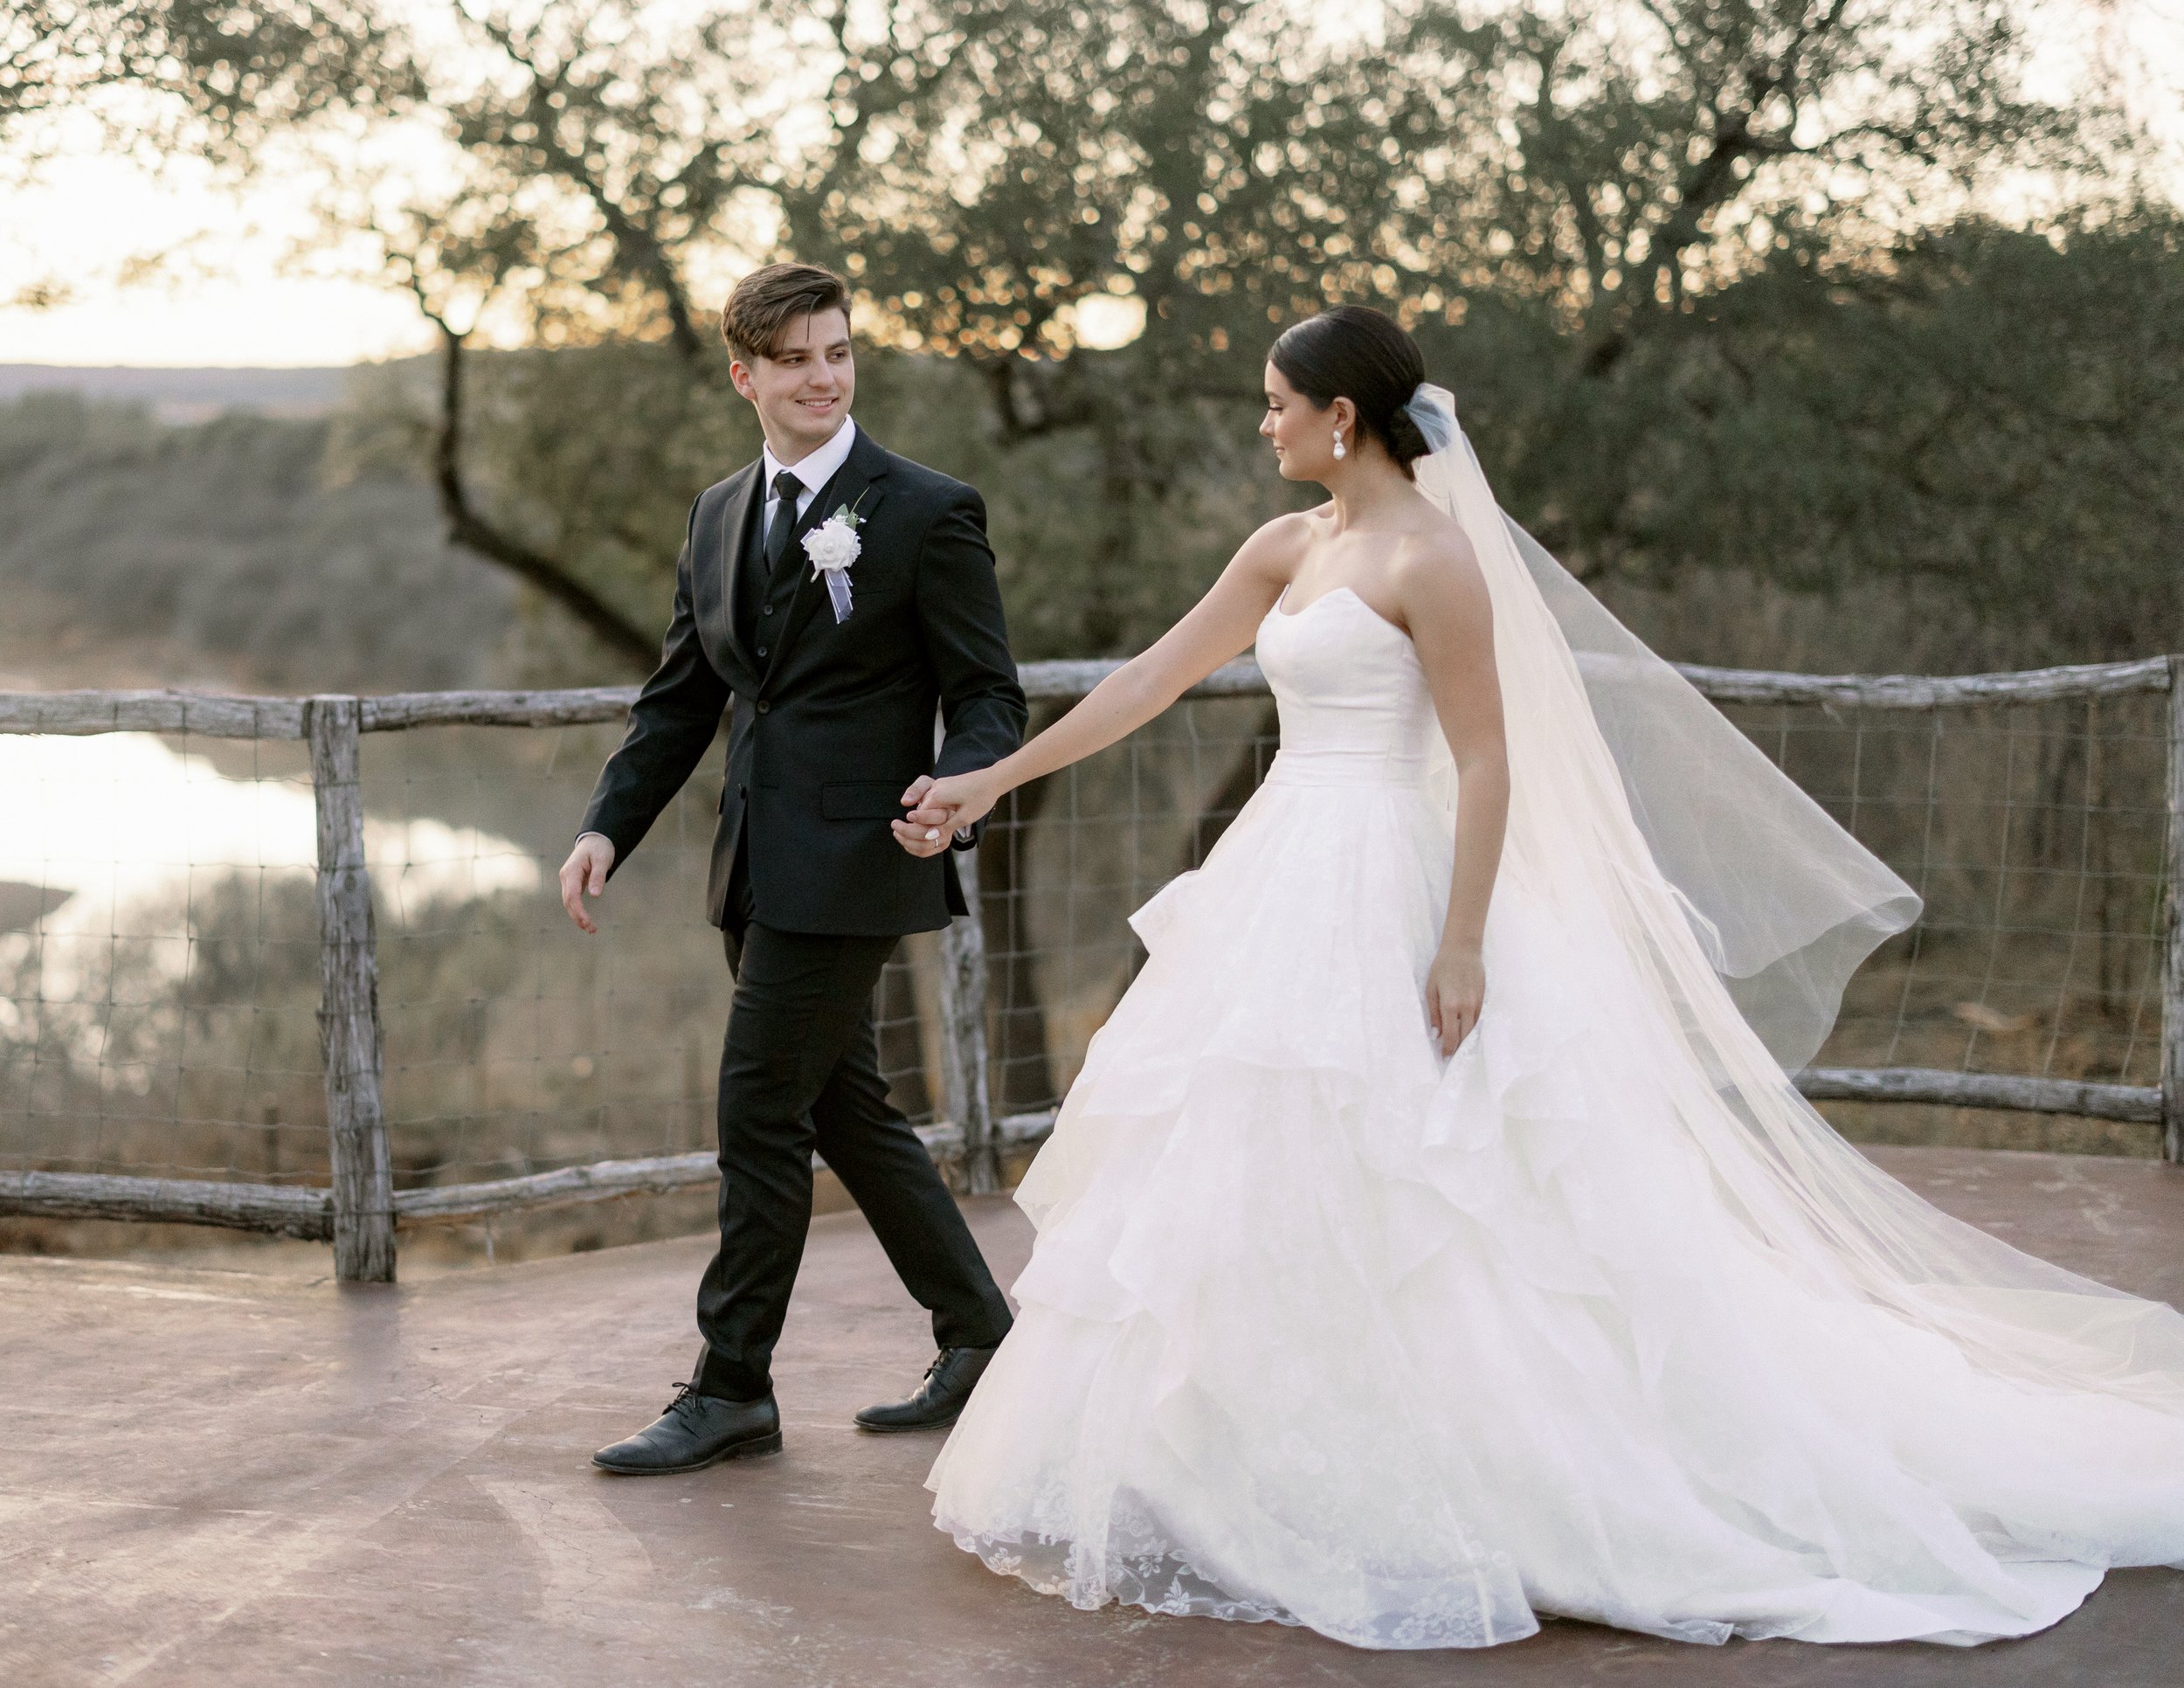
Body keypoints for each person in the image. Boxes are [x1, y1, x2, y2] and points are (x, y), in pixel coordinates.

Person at [902, 305, 2184, 1648]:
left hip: (1393, 883)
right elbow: (1152, 681)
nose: (1263, 423)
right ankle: (1262, 1452)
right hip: (1280, 877)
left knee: (1432, 1182)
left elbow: (1487, 756)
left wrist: (1459, 944)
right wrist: (989, 780)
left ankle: (1482, 1468)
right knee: (1260, 1163)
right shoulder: (1286, 545)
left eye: (1277, 401)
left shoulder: (1434, 560)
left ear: (1342, 419)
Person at [559, 262, 1024, 1475]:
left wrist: (961, 784)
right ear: (745, 375)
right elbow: (681, 697)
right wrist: (610, 823)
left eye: (839, 353)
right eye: (798, 360)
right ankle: (981, 1334)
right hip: (754, 865)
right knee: (841, 1107)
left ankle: (731, 1388)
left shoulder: (927, 509)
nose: (824, 378)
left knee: (758, 1110)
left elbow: (986, 695)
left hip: (863, 858)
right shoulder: (719, 513)